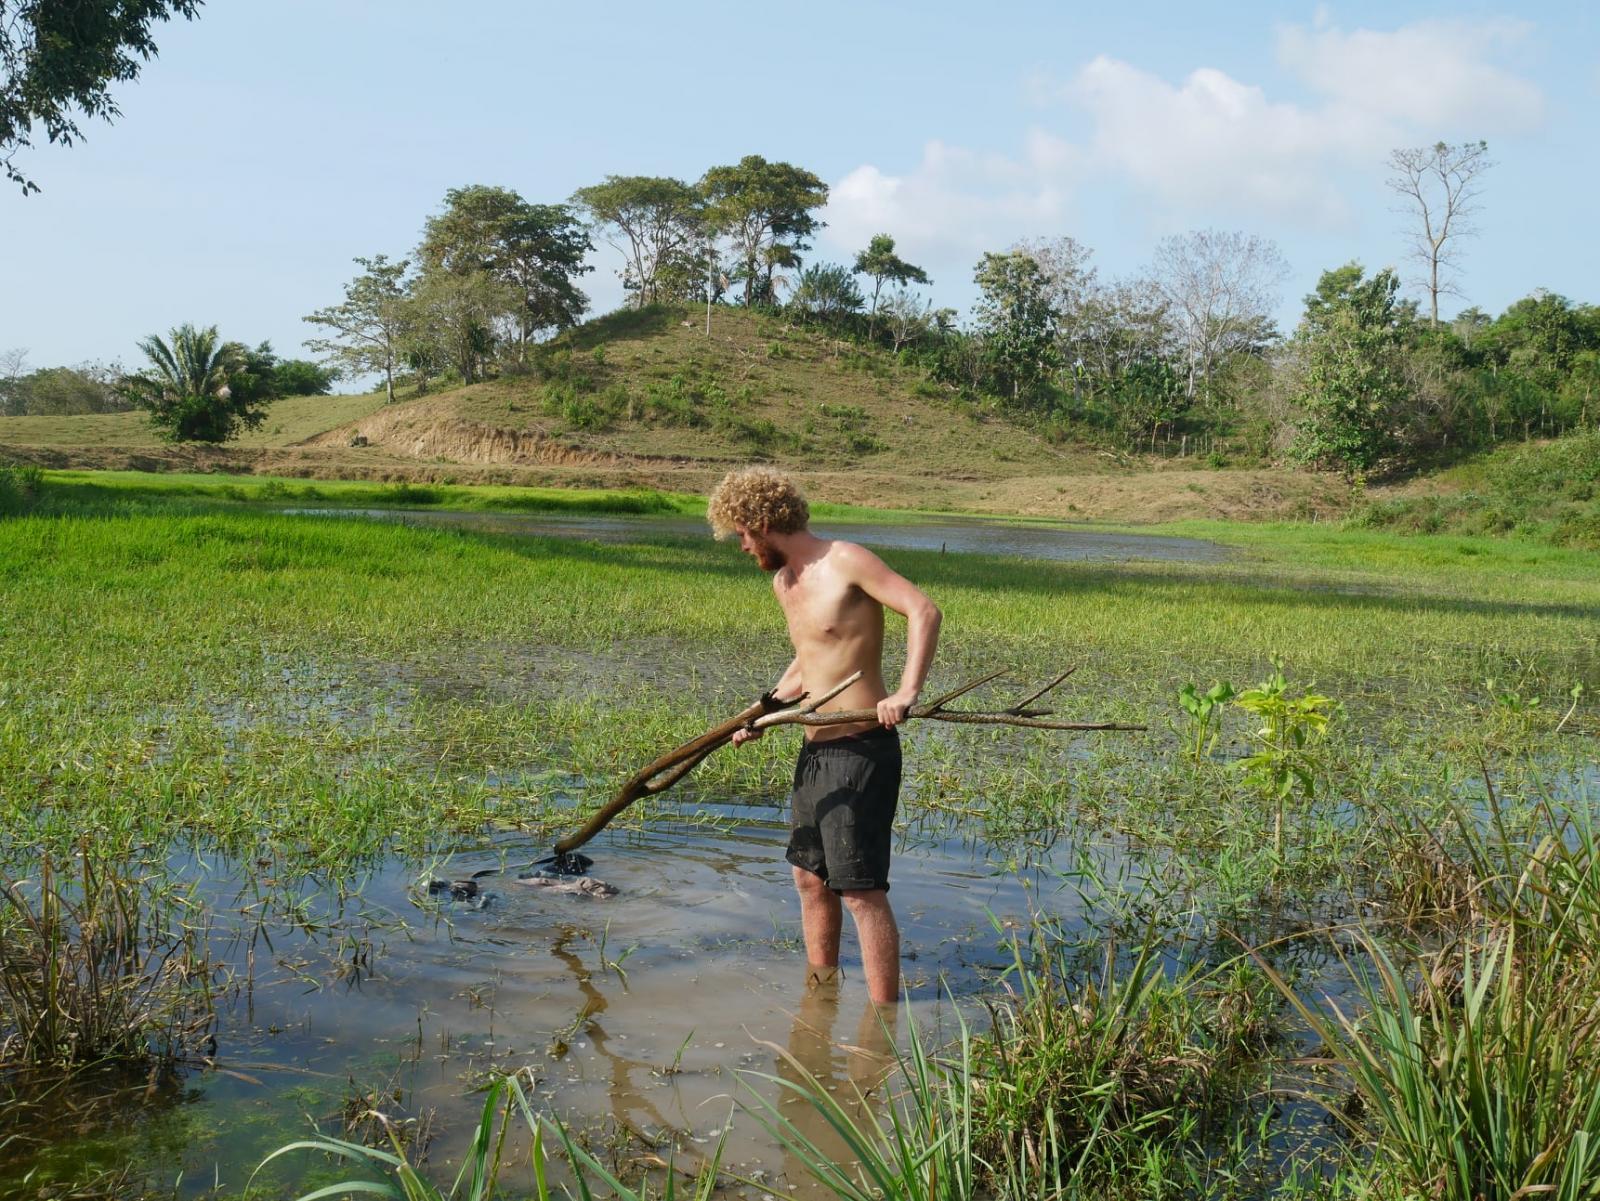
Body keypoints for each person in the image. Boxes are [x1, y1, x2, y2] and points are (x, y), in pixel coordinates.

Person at [708, 468, 941, 1005]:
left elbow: (923, 610)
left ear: (763, 522)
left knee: (859, 890)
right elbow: (807, 662)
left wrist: (906, 692)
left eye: (742, 535)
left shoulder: (846, 560)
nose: (742, 547)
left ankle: (883, 1020)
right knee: (810, 880)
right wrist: (760, 714)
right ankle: (821, 999)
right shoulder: (784, 582)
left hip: (862, 748)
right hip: (814, 751)